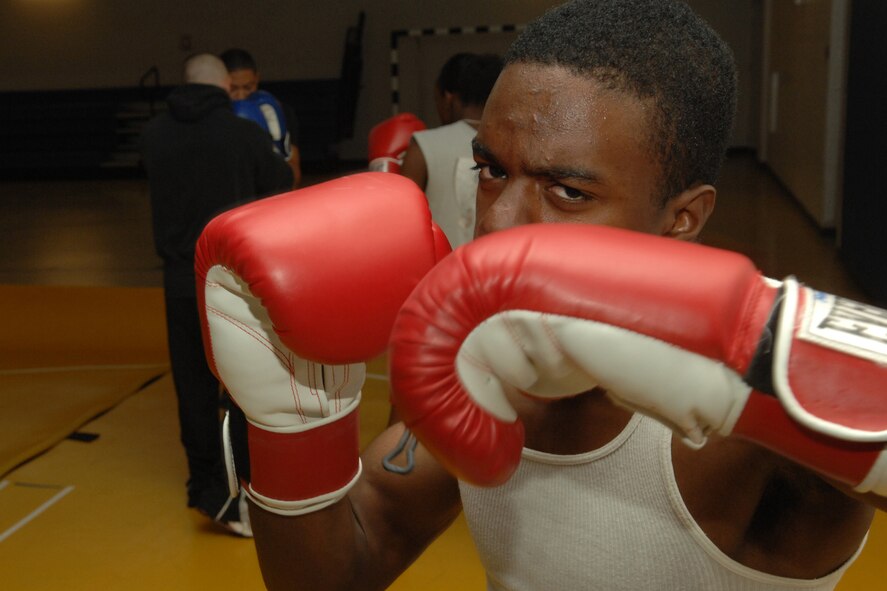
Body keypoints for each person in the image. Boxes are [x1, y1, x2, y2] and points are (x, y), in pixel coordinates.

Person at [197, 1, 885, 589]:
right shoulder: (487, 360)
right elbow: (344, 565)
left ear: (683, 218)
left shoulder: (761, 385)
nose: (497, 222)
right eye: (491, 171)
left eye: (567, 191)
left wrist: (759, 354)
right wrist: (296, 427)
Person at [139, 52, 292, 536]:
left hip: (180, 279)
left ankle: (205, 489)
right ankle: (245, 489)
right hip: (231, 281)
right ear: (226, 85)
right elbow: (282, 185)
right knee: (242, 384)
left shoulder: (152, 135)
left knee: (193, 388)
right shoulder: (243, 133)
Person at [400, 52, 503, 248]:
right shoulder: (516, 145)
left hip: (439, 272)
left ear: (447, 98)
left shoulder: (424, 146)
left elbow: (398, 223)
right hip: (503, 269)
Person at [219, 48, 302, 188]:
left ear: (257, 79)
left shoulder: (277, 112)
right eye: (233, 89)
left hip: (267, 201)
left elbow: (294, 179)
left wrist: (277, 147)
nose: (241, 96)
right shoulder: (214, 118)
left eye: (248, 87)